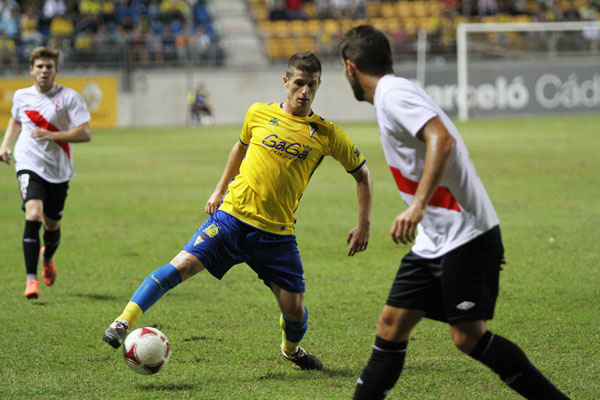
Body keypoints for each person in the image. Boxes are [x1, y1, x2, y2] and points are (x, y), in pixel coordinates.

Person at [339, 25, 570, 399]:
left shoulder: (394, 94)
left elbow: (441, 139)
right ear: (390, 59)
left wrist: (417, 207)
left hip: (463, 234)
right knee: (391, 324)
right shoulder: (391, 95)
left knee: (468, 336)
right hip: (438, 239)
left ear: (350, 68)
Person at [103, 52, 373, 371]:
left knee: (295, 311)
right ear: (286, 82)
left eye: (312, 85)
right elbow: (240, 147)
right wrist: (219, 189)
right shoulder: (258, 113)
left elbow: (362, 174)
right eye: (299, 83)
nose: (305, 91)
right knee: (182, 265)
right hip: (232, 218)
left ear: (319, 85)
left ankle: (291, 349)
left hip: (277, 235)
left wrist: (364, 224)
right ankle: (123, 321)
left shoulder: (326, 133)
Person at [0, 46, 92, 299]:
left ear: (56, 70)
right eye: (39, 66)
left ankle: (47, 256)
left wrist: (53, 135)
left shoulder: (69, 97)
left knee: (52, 226)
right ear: (31, 70)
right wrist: (5, 144)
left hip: (58, 169)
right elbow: (16, 120)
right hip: (28, 162)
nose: (44, 71)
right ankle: (31, 280)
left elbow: (85, 133)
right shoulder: (21, 96)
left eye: (48, 67)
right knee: (34, 213)